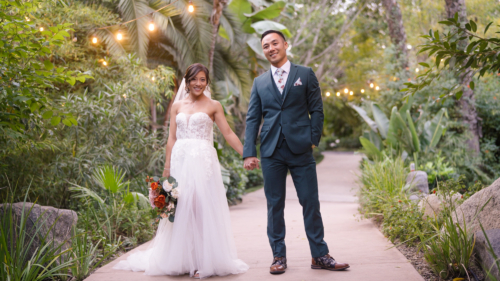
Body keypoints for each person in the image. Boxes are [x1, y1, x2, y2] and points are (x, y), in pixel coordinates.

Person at [114, 63, 249, 279]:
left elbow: (228, 133)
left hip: (202, 161)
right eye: (194, 79)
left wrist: (247, 154)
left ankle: (202, 261)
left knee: (200, 208)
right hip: (180, 159)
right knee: (180, 208)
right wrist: (167, 168)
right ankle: (183, 258)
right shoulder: (177, 106)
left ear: (207, 82)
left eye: (203, 79)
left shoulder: (214, 106)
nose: (198, 83)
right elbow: (171, 138)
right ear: (187, 81)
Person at [243, 30, 350, 274]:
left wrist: (312, 139)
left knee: (310, 201)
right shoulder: (259, 83)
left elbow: (317, 110)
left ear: (285, 45)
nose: (271, 48)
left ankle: (320, 255)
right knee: (275, 204)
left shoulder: (305, 74)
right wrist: (249, 152)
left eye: (274, 43)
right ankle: (278, 256)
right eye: (266, 46)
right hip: (271, 150)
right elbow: (252, 119)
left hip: (301, 149)